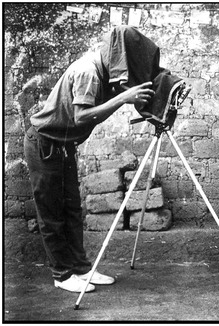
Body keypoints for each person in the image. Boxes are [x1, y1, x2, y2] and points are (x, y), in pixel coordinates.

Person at [23, 26, 160, 293]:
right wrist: (123, 98)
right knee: (52, 213)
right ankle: (62, 275)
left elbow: (107, 102)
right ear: (113, 56)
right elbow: (81, 117)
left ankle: (81, 269)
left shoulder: (101, 70)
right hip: (45, 144)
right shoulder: (88, 73)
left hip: (62, 146)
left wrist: (132, 98)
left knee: (72, 210)